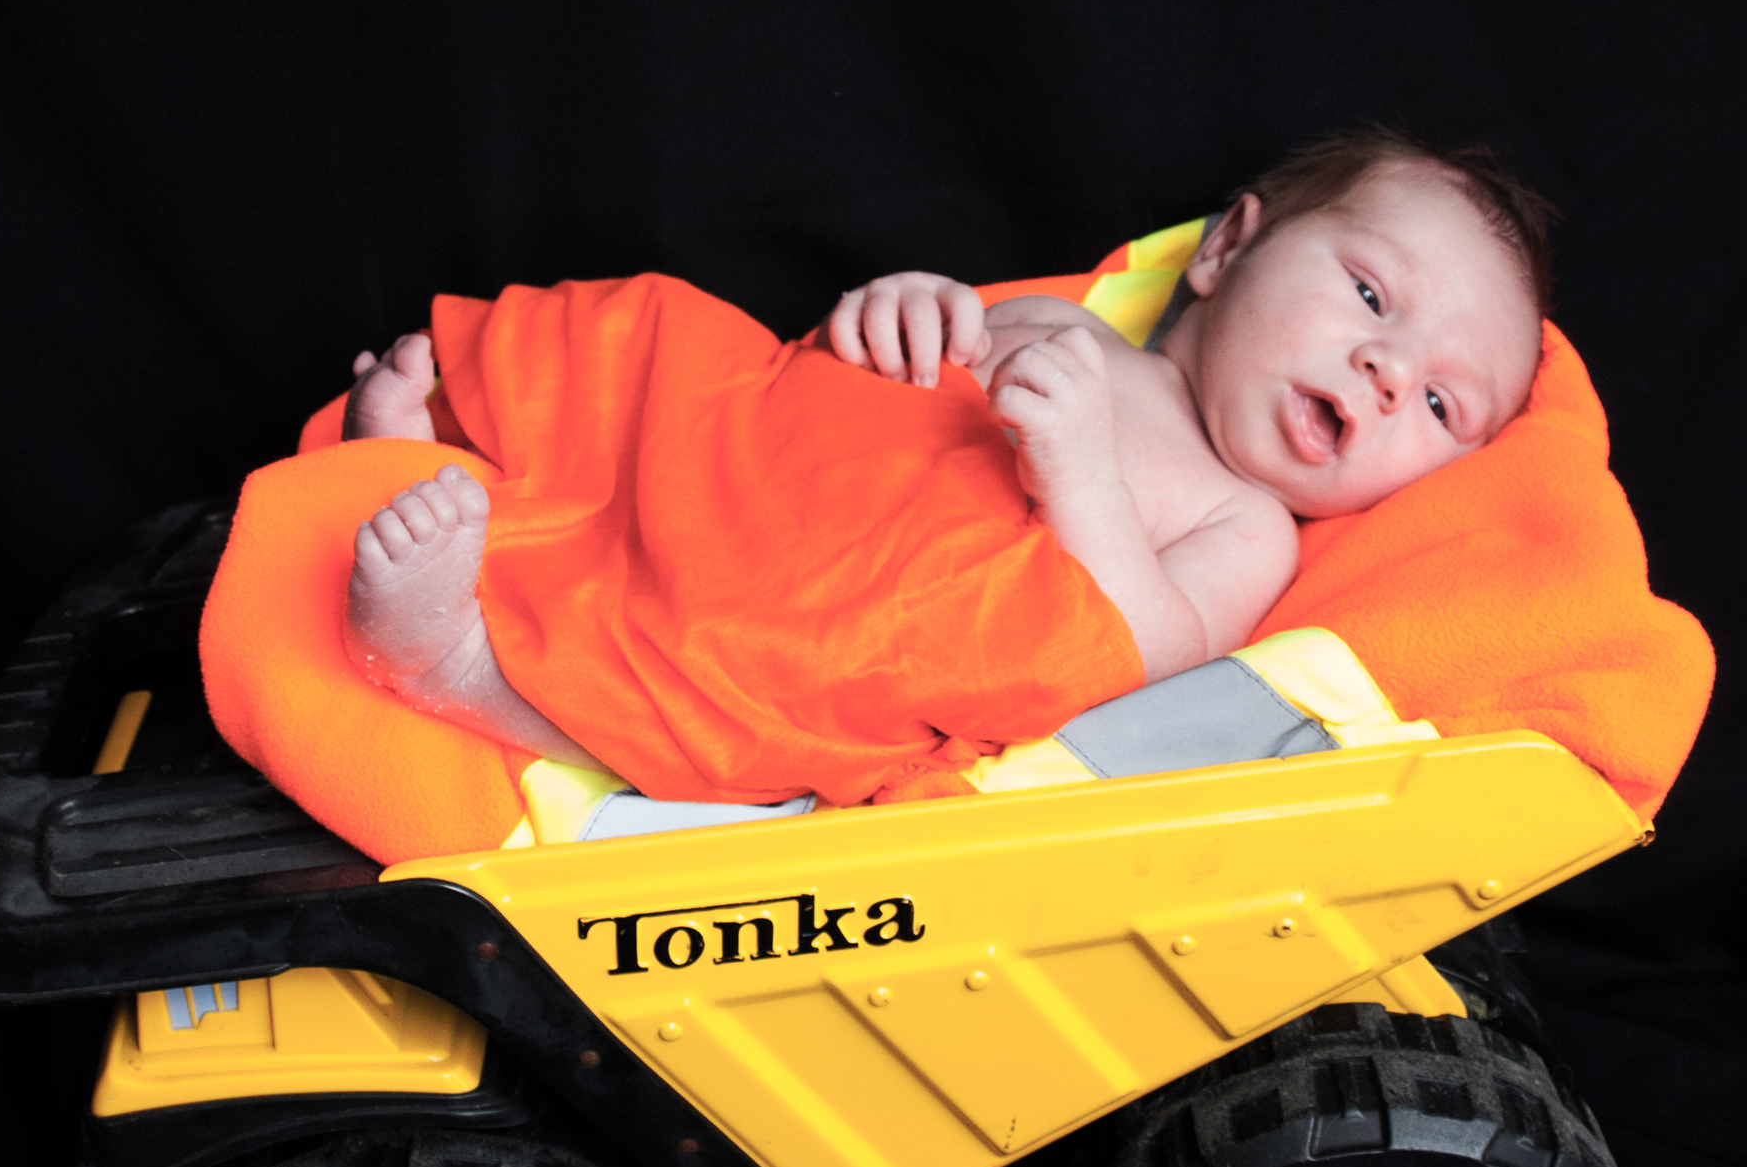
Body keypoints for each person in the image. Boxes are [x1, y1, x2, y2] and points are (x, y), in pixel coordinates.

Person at [337, 129, 1551, 788]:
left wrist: (1080, 472)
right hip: (783, 481)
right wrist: (896, 309)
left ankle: (464, 663)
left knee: (763, 687)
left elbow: (1151, 651)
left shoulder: (1248, 524)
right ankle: (463, 432)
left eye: (1442, 403)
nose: (1388, 371)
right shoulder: (1068, 321)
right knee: (663, 335)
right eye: (1371, 294)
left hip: (862, 609)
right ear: (1226, 248)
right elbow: (863, 376)